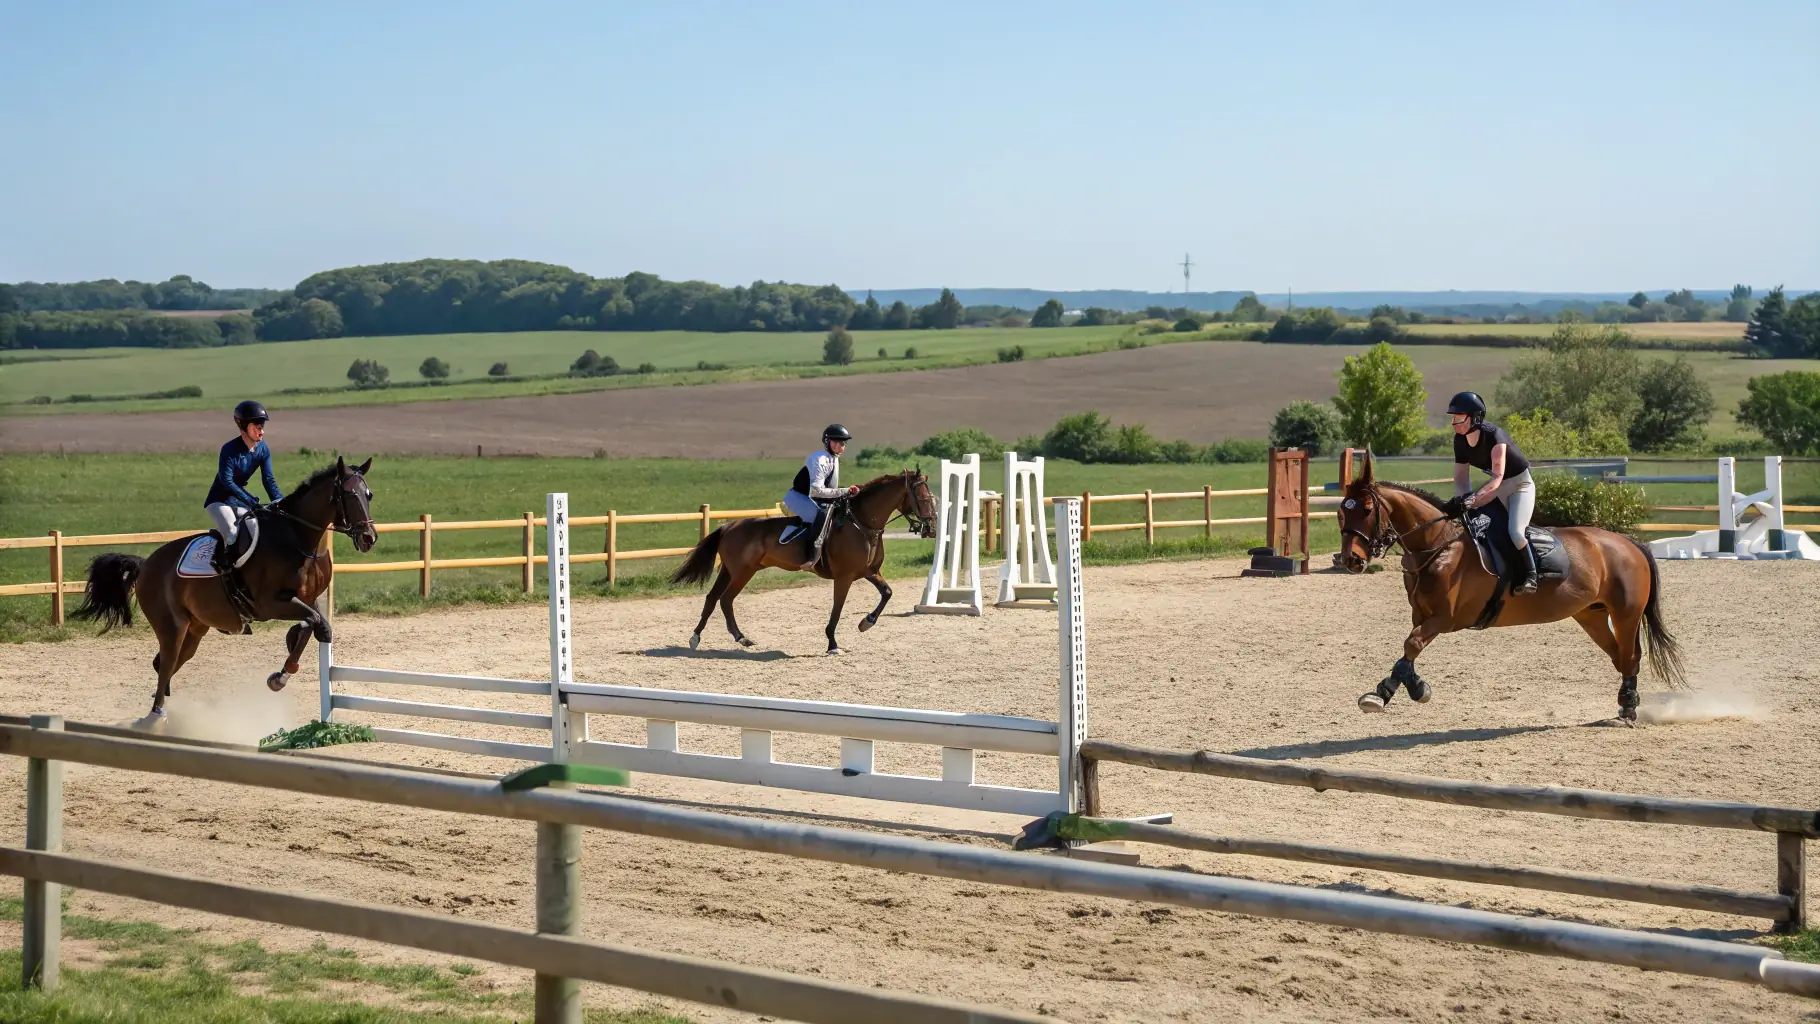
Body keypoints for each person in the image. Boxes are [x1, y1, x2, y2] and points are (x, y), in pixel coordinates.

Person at [1445, 391, 1537, 593]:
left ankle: (1531, 576)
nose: (1454, 422)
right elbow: (1461, 478)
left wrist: (1473, 500)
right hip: (1497, 487)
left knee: (1515, 531)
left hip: (1519, 485)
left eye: (1459, 417)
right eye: (1453, 417)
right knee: (1472, 524)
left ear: (1475, 417)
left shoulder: (1494, 436)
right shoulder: (1460, 440)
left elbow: (1497, 477)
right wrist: (1461, 502)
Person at [205, 400, 284, 573]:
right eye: (256, 428)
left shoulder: (263, 449)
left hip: (238, 501)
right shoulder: (229, 449)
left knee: (255, 528)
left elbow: (268, 480)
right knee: (233, 532)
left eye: (262, 428)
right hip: (218, 500)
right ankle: (225, 568)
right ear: (243, 427)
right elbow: (227, 482)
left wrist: (281, 502)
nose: (261, 432)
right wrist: (250, 500)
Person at [783, 423, 859, 571]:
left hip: (813, 498)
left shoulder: (834, 459)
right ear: (827, 442)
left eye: (843, 443)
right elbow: (816, 491)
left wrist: (847, 494)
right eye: (837, 442)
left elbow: (830, 490)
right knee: (821, 515)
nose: (841, 446)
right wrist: (844, 491)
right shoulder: (819, 459)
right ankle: (812, 557)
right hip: (798, 497)